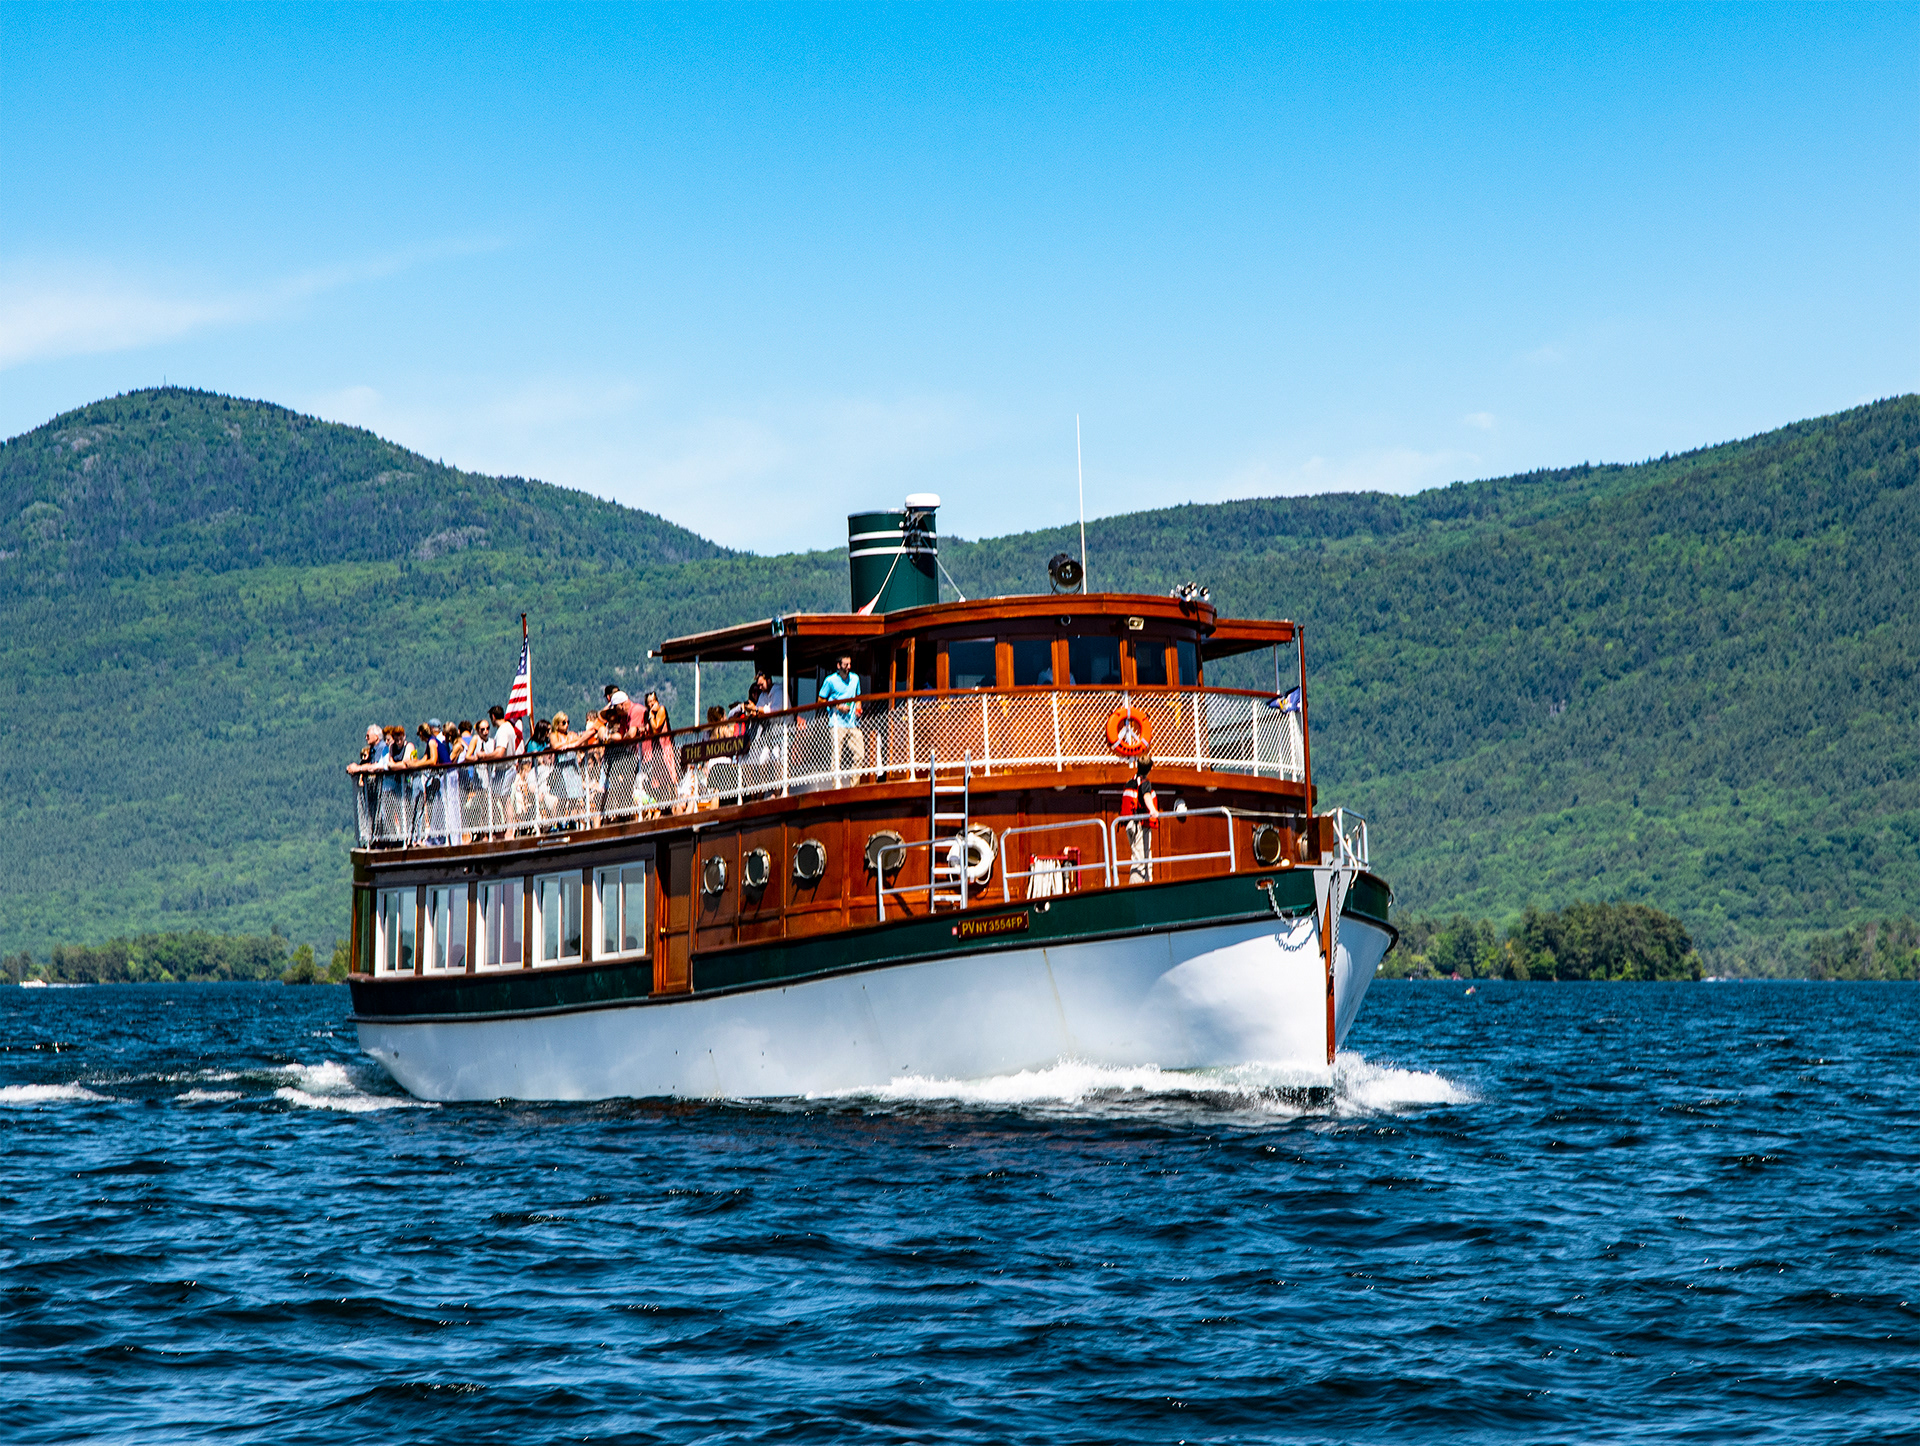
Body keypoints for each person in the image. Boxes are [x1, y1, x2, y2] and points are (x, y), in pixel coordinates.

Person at [820, 654, 863, 783]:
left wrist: (858, 708)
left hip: (853, 723)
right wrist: (838, 706)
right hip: (836, 723)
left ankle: (854, 787)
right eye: (845, 665)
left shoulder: (855, 678)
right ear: (838, 666)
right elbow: (821, 700)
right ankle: (836, 786)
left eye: (850, 664)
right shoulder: (830, 681)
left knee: (860, 754)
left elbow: (858, 696)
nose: (848, 667)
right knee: (837, 757)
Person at [1119, 754, 1161, 884]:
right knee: (1140, 860)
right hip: (1140, 826)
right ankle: (1136, 889)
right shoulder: (1145, 783)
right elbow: (1146, 796)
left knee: (1142, 857)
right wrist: (1153, 811)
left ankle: (1147, 883)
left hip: (1130, 825)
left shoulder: (1130, 782)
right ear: (1150, 769)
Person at [637, 690, 678, 799]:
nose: (651, 704)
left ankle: (674, 799)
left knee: (670, 775)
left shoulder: (661, 710)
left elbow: (656, 728)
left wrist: (651, 715)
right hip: (655, 751)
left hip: (665, 748)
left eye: (653, 701)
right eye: (649, 702)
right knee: (658, 779)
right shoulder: (648, 716)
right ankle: (663, 801)